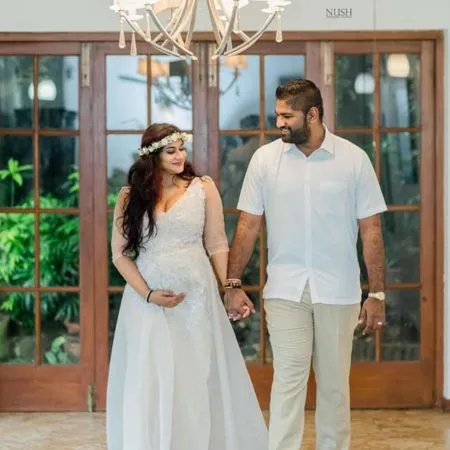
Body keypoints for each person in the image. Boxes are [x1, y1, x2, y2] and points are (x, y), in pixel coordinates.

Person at [224, 79, 387, 450]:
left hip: (339, 290)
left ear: (312, 115)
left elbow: (372, 230)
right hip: (285, 289)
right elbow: (247, 225)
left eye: (287, 116)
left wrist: (376, 292)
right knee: (288, 381)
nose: (279, 123)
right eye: (277, 114)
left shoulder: (353, 159)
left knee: (334, 386)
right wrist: (232, 283)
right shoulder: (265, 160)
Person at [106, 123, 267, 450]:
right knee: (151, 378)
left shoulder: (202, 188)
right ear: (152, 155)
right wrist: (148, 294)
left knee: (195, 376)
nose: (180, 156)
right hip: (147, 304)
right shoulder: (130, 196)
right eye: (171, 151)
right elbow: (119, 254)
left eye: (182, 148)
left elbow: (217, 244)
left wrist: (230, 287)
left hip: (195, 300)